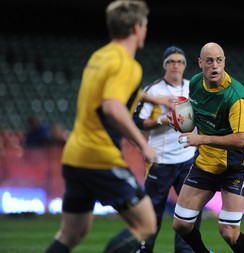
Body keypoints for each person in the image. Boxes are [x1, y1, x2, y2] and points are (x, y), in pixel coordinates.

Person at [44, 1, 175, 252]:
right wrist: (143, 145)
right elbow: (112, 106)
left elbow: (114, 92)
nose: (146, 30)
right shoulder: (128, 65)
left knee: (72, 232)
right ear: (137, 27)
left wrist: (152, 98)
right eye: (145, 25)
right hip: (99, 157)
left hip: (74, 156)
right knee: (146, 225)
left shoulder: (100, 56)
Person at [170, 42, 244, 253]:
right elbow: (195, 117)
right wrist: (179, 122)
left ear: (224, 62)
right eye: (209, 61)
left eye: (219, 60)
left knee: (228, 231)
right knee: (181, 224)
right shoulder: (197, 83)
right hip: (206, 162)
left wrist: (202, 139)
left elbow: (243, 140)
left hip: (235, 165)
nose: (215, 66)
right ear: (200, 63)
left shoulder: (237, 97)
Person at [133, 46, 201, 253]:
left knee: (189, 211)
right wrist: (162, 119)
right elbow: (137, 120)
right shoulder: (153, 90)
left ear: (185, 66)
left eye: (180, 62)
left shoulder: (194, 87)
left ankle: (185, 251)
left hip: (188, 159)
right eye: (171, 61)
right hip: (160, 161)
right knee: (152, 212)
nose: (176, 65)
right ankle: (145, 249)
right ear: (165, 65)